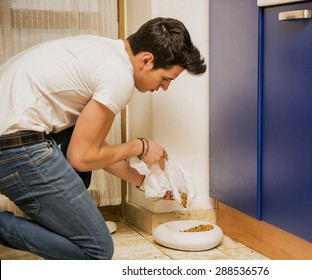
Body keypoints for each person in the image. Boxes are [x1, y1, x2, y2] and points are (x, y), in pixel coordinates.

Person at [0, 17, 206, 260]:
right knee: (97, 251)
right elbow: (81, 158)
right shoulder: (118, 75)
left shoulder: (103, 51)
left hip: (13, 141)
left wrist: (143, 180)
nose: (164, 87)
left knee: (80, 159)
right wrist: (139, 147)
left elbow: (91, 149)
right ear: (147, 60)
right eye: (166, 78)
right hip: (15, 149)